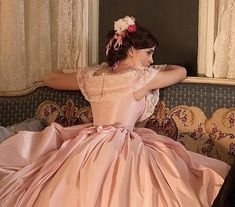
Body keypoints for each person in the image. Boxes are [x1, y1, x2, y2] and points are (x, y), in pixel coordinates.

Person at [0, 16, 230, 207]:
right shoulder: (141, 79)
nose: (152, 60)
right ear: (131, 51)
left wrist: (93, 69)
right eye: (148, 53)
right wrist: (155, 70)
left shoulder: (94, 77)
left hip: (88, 141)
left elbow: (51, 77)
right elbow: (180, 71)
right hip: (122, 143)